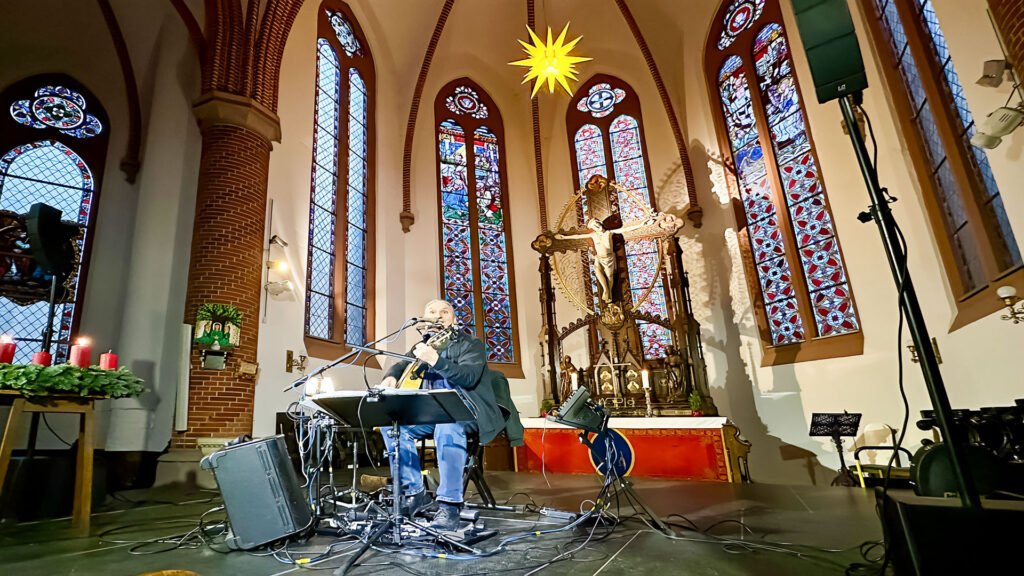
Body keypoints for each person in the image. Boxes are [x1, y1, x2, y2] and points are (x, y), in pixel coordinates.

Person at [378, 299, 504, 531]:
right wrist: (392, 375)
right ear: (424, 319)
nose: (438, 315)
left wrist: (435, 360)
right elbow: (402, 364)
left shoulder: (470, 343)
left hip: (467, 411)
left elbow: (468, 378)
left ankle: (449, 504)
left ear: (453, 319)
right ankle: (415, 494)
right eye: (432, 312)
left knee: (448, 426)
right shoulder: (423, 345)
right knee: (392, 427)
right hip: (431, 411)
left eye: (444, 312)